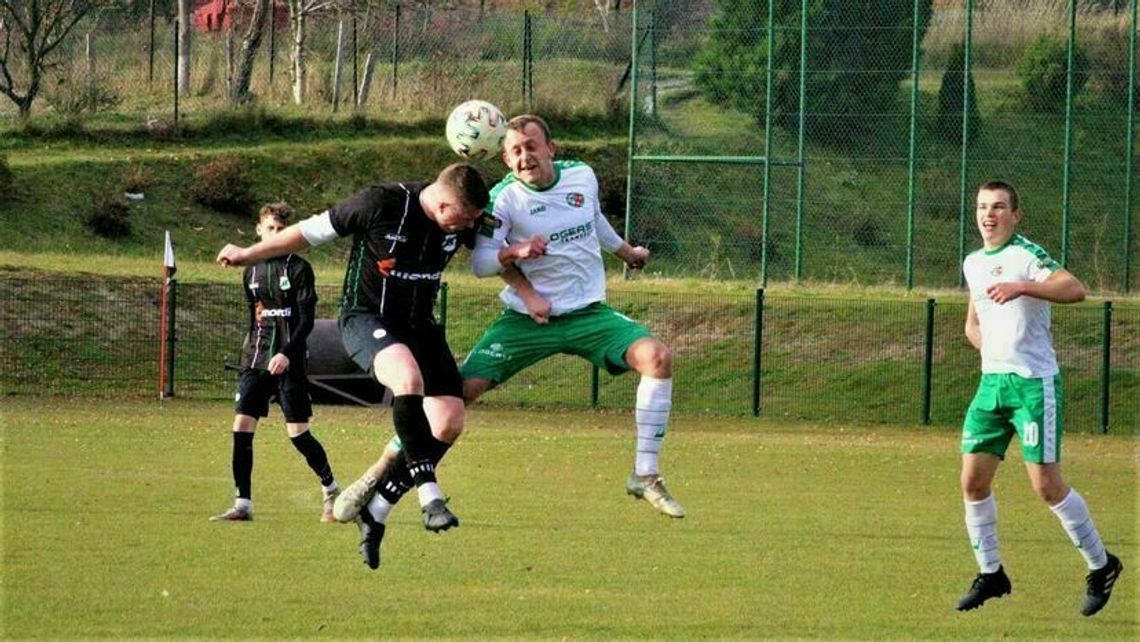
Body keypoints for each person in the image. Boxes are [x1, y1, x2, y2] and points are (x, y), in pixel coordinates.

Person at [335, 114, 684, 522]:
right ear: (504, 160)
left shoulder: (581, 175)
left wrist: (626, 253)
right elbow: (482, 262)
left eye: (531, 146)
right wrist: (527, 285)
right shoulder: (501, 200)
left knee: (657, 357)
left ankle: (645, 474)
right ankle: (379, 472)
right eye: (514, 151)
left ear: (551, 148)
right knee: (453, 396)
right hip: (525, 321)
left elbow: (593, 217)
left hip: (589, 314)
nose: (524, 157)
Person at [216, 163, 490, 570]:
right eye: (463, 218)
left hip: (422, 326)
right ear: (444, 202)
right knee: (407, 379)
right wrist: (246, 254)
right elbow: (308, 232)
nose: (467, 227)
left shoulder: (462, 217)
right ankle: (429, 496)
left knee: (449, 420)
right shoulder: (380, 202)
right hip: (367, 320)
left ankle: (376, 510)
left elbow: (497, 242)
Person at [954, 180, 1122, 616]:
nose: (988, 215)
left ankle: (1101, 566)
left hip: (1033, 385)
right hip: (992, 385)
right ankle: (991, 574)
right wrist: (987, 346)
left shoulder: (1027, 255)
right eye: (981, 207)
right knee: (972, 482)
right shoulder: (973, 263)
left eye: (998, 207)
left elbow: (1074, 289)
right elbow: (973, 322)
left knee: (1046, 487)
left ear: (1015, 215)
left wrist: (1024, 287)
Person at [210, 202, 340, 523]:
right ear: (259, 230)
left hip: (289, 360)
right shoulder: (250, 271)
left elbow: (306, 321)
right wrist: (250, 350)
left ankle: (331, 489)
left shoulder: (298, 269)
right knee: (241, 427)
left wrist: (286, 353)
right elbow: (254, 317)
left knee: (298, 434)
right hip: (255, 359)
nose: (275, 235)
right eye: (270, 229)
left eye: (281, 231)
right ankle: (242, 504)